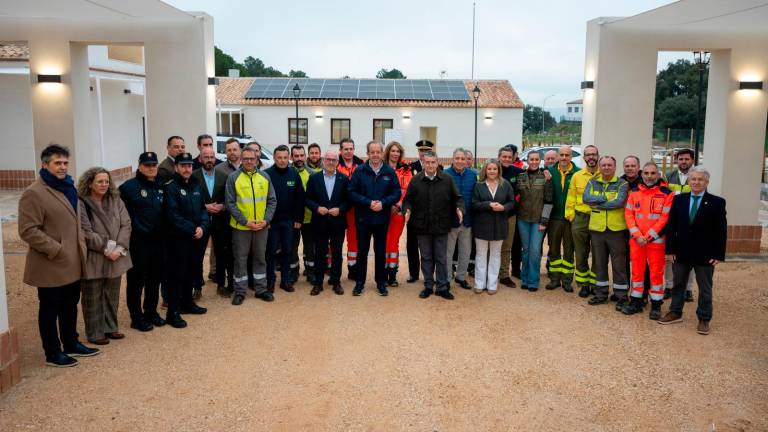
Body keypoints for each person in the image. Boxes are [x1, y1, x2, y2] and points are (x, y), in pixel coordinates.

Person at [19, 144, 99, 367]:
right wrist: (56, 249)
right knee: (49, 308)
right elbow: (27, 230)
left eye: (65, 162)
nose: (63, 166)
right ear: (45, 165)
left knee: (69, 305)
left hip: (73, 262)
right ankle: (53, 352)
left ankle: (71, 343)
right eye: (57, 163)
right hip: (50, 263)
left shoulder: (69, 188)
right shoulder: (34, 193)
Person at [659, 167, 726, 336]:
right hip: (681, 252)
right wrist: (670, 250)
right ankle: (675, 312)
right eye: (693, 179)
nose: (696, 182)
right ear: (689, 182)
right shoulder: (679, 199)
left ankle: (704, 318)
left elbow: (721, 230)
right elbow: (672, 226)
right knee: (678, 284)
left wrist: (718, 254)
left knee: (705, 288)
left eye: (700, 179)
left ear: (707, 182)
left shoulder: (717, 202)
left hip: (705, 254)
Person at [77, 167, 132, 345]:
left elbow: (126, 224)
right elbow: (84, 231)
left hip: (117, 254)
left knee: (112, 294)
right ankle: (95, 332)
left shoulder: (116, 199)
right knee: (92, 296)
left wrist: (120, 247)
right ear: (90, 183)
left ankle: (110, 327)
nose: (104, 185)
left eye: (106, 181)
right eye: (99, 181)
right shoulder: (81, 202)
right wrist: (108, 247)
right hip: (95, 255)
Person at [403, 151, 464, 300]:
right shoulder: (416, 180)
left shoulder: (447, 179)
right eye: (427, 162)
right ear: (423, 163)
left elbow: (458, 198)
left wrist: (459, 209)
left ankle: (442, 287)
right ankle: (428, 285)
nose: (430, 165)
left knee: (441, 257)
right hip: (422, 225)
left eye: (433, 162)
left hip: (441, 225)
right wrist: (407, 210)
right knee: (426, 257)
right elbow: (407, 199)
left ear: (437, 163)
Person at [119, 152, 166, 332]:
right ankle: (136, 317)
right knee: (136, 281)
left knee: (155, 280)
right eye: (147, 165)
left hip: (158, 241)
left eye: (154, 164)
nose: (151, 168)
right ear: (139, 166)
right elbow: (121, 216)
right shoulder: (128, 188)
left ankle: (151, 312)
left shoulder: (162, 185)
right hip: (138, 243)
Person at [348, 141, 401, 296]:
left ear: (382, 152)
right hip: (363, 219)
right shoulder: (360, 170)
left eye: (378, 152)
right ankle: (359, 283)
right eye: (372, 152)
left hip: (381, 220)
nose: (375, 155)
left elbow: (396, 193)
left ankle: (381, 283)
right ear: (368, 153)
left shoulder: (389, 171)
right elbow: (351, 192)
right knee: (362, 252)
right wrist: (368, 203)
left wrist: (383, 203)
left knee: (380, 252)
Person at [621, 162, 674, 320]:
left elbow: (665, 218)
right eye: (646, 173)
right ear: (642, 174)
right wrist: (637, 235)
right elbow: (628, 214)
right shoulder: (634, 192)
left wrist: (648, 236)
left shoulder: (667, 193)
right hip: (637, 241)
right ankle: (636, 301)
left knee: (656, 274)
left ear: (658, 175)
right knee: (637, 271)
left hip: (656, 242)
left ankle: (656, 305)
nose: (649, 176)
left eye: (653, 173)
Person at [226, 147, 277, 305]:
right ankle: (240, 291)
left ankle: (261, 289)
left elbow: (272, 201)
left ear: (257, 159)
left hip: (261, 227)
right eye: (246, 158)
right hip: (241, 228)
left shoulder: (265, 177)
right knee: (240, 260)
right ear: (241, 159)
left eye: (252, 158)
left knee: (260, 258)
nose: (249, 161)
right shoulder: (234, 178)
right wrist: (245, 222)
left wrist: (266, 220)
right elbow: (230, 203)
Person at [163, 152, 209, 327]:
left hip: (195, 238)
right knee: (177, 275)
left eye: (189, 165)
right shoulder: (171, 187)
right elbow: (172, 216)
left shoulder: (195, 185)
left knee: (191, 271)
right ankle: (173, 311)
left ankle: (188, 303)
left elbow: (203, 210)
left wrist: (203, 227)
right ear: (176, 167)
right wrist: (193, 229)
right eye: (183, 165)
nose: (187, 168)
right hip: (178, 240)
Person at [582, 156, 630, 306]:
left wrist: (597, 203)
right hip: (597, 229)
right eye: (604, 165)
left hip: (616, 230)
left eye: (610, 165)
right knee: (600, 264)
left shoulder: (622, 183)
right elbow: (585, 198)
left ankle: (621, 296)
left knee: (619, 265)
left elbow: (618, 202)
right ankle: (601, 293)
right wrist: (605, 199)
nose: (606, 167)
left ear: (615, 167)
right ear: (600, 167)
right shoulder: (592, 181)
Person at [306, 149, 350, 295]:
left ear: (338, 162)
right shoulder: (314, 178)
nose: (331, 162)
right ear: (323, 161)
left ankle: (336, 282)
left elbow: (348, 200)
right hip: (319, 223)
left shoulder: (344, 179)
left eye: (334, 160)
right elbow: (307, 199)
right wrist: (317, 208)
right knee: (320, 253)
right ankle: (318, 283)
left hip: (338, 223)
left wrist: (340, 209)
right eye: (328, 159)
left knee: (337, 253)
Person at [265, 145, 306, 293]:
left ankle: (285, 281)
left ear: (288, 158)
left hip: (289, 222)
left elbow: (300, 199)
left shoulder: (294, 174)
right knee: (270, 252)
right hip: (272, 222)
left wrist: (298, 219)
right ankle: (270, 281)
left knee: (288, 251)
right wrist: (266, 220)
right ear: (274, 158)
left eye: (284, 157)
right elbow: (263, 200)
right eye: (279, 158)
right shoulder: (267, 175)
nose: (282, 161)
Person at [471, 159, 516, 294]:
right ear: (485, 170)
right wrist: (488, 204)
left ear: (498, 170)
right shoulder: (479, 185)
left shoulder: (505, 184)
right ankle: (479, 283)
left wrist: (503, 207)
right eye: (489, 169)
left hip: (499, 225)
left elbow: (512, 202)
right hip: (482, 226)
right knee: (481, 255)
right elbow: (474, 204)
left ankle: (492, 284)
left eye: (494, 169)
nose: (492, 171)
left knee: (496, 255)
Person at [192, 147, 231, 297]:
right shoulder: (194, 176)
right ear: (200, 159)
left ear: (215, 158)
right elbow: (190, 198)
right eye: (206, 157)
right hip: (200, 222)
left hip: (220, 221)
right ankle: (197, 287)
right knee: (198, 254)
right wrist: (204, 207)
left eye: (212, 157)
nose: (209, 159)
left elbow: (229, 198)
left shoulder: (223, 176)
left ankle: (221, 284)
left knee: (221, 254)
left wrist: (223, 206)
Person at [566, 144, 600, 297]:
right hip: (580, 218)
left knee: (599, 254)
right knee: (580, 254)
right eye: (588, 155)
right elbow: (571, 198)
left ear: (597, 156)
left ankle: (595, 283)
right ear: (584, 157)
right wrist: (571, 217)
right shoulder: (577, 176)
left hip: (599, 217)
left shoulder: (604, 174)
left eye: (593, 154)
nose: (591, 157)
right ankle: (583, 284)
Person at [516, 152, 553, 291]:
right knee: (525, 250)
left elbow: (549, 201)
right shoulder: (520, 177)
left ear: (540, 161)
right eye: (531, 159)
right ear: (527, 160)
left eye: (537, 159)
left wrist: (544, 220)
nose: (534, 161)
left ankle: (533, 281)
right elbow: (515, 196)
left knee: (535, 250)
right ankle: (524, 279)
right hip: (523, 219)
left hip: (539, 220)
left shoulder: (545, 177)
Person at [546, 145, 580, 291]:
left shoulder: (578, 173)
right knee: (553, 249)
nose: (564, 158)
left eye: (567, 155)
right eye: (562, 155)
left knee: (568, 249)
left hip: (571, 218)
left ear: (571, 157)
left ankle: (566, 280)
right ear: (558, 156)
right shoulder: (550, 172)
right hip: (554, 217)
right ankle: (554, 278)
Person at [664, 148, 696, 302]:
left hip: (690, 221)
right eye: (681, 159)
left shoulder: (697, 177)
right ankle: (669, 286)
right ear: (676, 160)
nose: (684, 162)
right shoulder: (669, 176)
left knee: (689, 256)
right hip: (672, 220)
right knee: (670, 256)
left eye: (687, 159)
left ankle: (688, 289)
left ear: (692, 161)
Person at [444, 148, 476, 290]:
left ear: (466, 160)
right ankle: (446, 278)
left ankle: (461, 277)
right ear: (453, 159)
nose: (460, 161)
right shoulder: (445, 174)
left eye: (463, 159)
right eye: (457, 158)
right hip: (451, 221)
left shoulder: (473, 175)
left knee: (465, 251)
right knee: (448, 252)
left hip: (468, 220)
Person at [405, 140, 436, 283]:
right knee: (412, 245)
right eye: (421, 151)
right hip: (414, 214)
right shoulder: (411, 168)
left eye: (427, 151)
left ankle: (429, 275)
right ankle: (413, 274)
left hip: (430, 214)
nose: (423, 153)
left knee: (430, 247)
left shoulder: (437, 168)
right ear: (418, 152)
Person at [383, 141, 412, 287]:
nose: (395, 154)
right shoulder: (380, 168)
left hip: (398, 211)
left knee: (393, 242)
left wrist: (398, 205)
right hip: (382, 211)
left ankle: (392, 274)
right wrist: (387, 205)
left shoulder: (406, 170)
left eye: (398, 151)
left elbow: (408, 191)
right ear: (388, 152)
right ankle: (382, 273)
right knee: (382, 242)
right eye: (393, 151)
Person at [289, 145, 319, 285]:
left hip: (309, 218)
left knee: (310, 247)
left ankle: (311, 271)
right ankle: (293, 271)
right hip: (292, 218)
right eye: (296, 156)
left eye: (302, 155)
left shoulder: (312, 174)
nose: (299, 158)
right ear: (291, 157)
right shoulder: (287, 173)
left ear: (305, 156)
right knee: (292, 247)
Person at [337, 138, 365, 280]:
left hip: (356, 209)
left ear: (354, 149)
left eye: (350, 149)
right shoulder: (335, 164)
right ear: (340, 150)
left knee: (353, 240)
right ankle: (332, 269)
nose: (348, 151)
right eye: (345, 149)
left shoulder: (361, 165)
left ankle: (353, 269)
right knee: (335, 240)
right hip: (340, 209)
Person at [498, 145, 525, 287]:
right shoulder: (492, 170)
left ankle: (503, 275)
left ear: (513, 157)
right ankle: (491, 273)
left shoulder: (519, 172)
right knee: (492, 246)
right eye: (504, 157)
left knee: (507, 246)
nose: (507, 159)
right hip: (493, 216)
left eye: (509, 157)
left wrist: (545, 172)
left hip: (510, 215)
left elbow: (533, 175)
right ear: (499, 157)